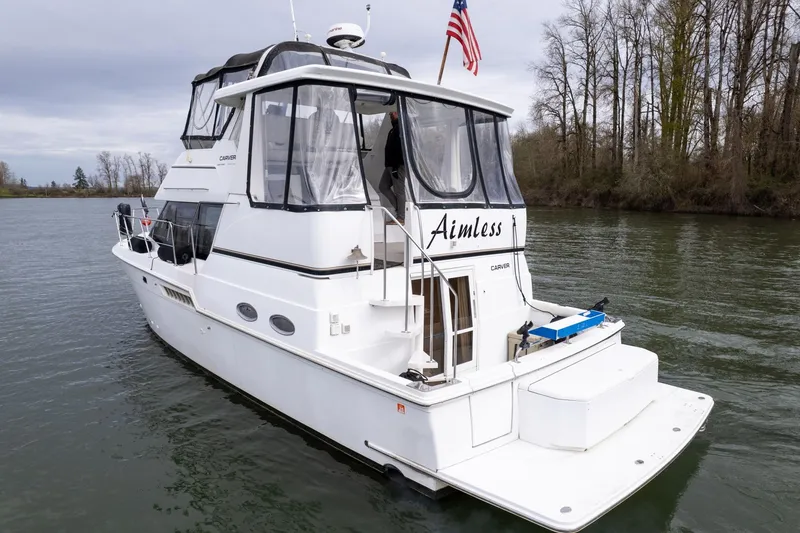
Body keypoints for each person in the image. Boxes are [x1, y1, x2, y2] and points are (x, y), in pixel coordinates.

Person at [378, 111, 406, 224]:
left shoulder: (401, 128)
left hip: (397, 165)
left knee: (399, 191)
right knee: (383, 186)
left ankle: (401, 217)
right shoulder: (394, 129)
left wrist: (395, 166)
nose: (391, 115)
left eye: (393, 113)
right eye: (390, 114)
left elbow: (401, 149)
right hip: (390, 165)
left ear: (399, 114)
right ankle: (399, 210)